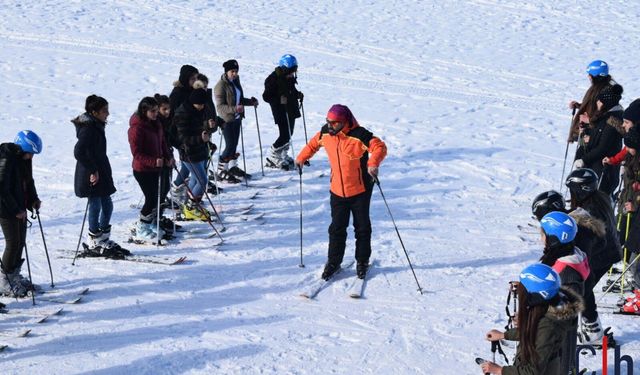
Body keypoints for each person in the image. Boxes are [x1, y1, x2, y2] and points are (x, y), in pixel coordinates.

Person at [295, 104, 387, 280]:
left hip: (360, 190)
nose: (330, 126)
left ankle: (362, 261)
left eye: (334, 123)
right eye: (328, 122)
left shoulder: (360, 135)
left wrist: (373, 163)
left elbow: (379, 147)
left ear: (345, 123)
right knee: (336, 228)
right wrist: (301, 157)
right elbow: (313, 144)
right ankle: (333, 262)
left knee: (362, 227)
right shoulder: (326, 133)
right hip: (337, 190)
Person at [481, 263, 584, 375]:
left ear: (535, 297)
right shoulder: (548, 305)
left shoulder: (547, 326)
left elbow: (533, 371)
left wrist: (499, 370)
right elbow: (532, 331)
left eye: (523, 289)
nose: (520, 291)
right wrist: (503, 335)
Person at [565, 168, 621, 344]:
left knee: (583, 291)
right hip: (607, 253)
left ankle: (594, 333)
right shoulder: (598, 198)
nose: (571, 194)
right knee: (584, 291)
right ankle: (593, 330)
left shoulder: (591, 210)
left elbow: (593, 236)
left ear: (581, 190)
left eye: (573, 190)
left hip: (601, 256)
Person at [72, 95, 127, 258]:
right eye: (104, 111)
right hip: (91, 173)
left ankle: (103, 237)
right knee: (95, 204)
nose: (108, 114)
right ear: (94, 112)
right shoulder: (88, 128)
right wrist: (92, 170)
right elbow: (79, 151)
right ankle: (94, 239)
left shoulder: (96, 125)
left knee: (107, 204)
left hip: (101, 170)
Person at [0, 131, 42, 297]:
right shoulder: (6, 159)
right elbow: (1, 188)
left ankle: (14, 276)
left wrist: (34, 199)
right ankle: (5, 282)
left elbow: (28, 181)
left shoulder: (23, 159)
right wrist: (15, 210)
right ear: (22, 149)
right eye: (30, 153)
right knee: (13, 242)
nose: (31, 157)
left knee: (21, 242)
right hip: (6, 208)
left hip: (20, 207)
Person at [128, 97, 174, 242]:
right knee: (151, 198)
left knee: (159, 197)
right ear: (144, 110)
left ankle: (152, 223)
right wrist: (154, 161)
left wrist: (168, 157)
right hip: (142, 170)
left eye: (156, 110)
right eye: (152, 111)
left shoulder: (156, 124)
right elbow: (137, 154)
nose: (156, 114)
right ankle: (142, 226)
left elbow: (162, 144)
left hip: (156, 168)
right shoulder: (136, 128)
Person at [573, 84, 624, 195]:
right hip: (596, 166)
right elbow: (598, 135)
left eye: (599, 101)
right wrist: (586, 129)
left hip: (603, 171)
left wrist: (584, 160)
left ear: (606, 103)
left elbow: (603, 147)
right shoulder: (605, 116)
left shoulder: (612, 121)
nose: (597, 103)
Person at [214, 59, 258, 183]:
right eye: (232, 71)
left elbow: (239, 99)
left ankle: (232, 167)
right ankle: (221, 170)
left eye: (236, 71)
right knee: (229, 145)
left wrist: (250, 102)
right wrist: (234, 109)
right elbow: (220, 107)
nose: (234, 73)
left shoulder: (236, 82)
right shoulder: (220, 86)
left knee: (234, 145)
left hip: (237, 118)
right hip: (226, 120)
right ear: (226, 71)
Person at [173, 88, 213, 221]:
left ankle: (187, 206)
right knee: (202, 180)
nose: (202, 107)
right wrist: (200, 139)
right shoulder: (183, 113)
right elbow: (182, 138)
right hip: (188, 153)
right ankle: (191, 206)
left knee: (196, 180)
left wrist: (208, 127)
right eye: (200, 104)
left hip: (200, 150)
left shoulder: (198, 110)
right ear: (194, 102)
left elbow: (201, 129)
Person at [263, 54, 303, 170]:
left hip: (291, 109)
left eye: (294, 70)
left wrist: (298, 94)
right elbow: (266, 96)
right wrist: (279, 100)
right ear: (284, 68)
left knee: (290, 133)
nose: (292, 73)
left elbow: (291, 90)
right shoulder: (273, 79)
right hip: (280, 110)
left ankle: (283, 154)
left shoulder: (288, 76)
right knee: (284, 135)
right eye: (291, 70)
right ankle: (273, 156)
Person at [568, 60, 615, 143]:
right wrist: (579, 105)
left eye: (590, 74)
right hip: (587, 130)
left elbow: (602, 113)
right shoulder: (597, 87)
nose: (588, 77)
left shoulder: (606, 91)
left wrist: (589, 122)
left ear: (597, 75)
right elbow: (592, 104)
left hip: (593, 133)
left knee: (587, 154)